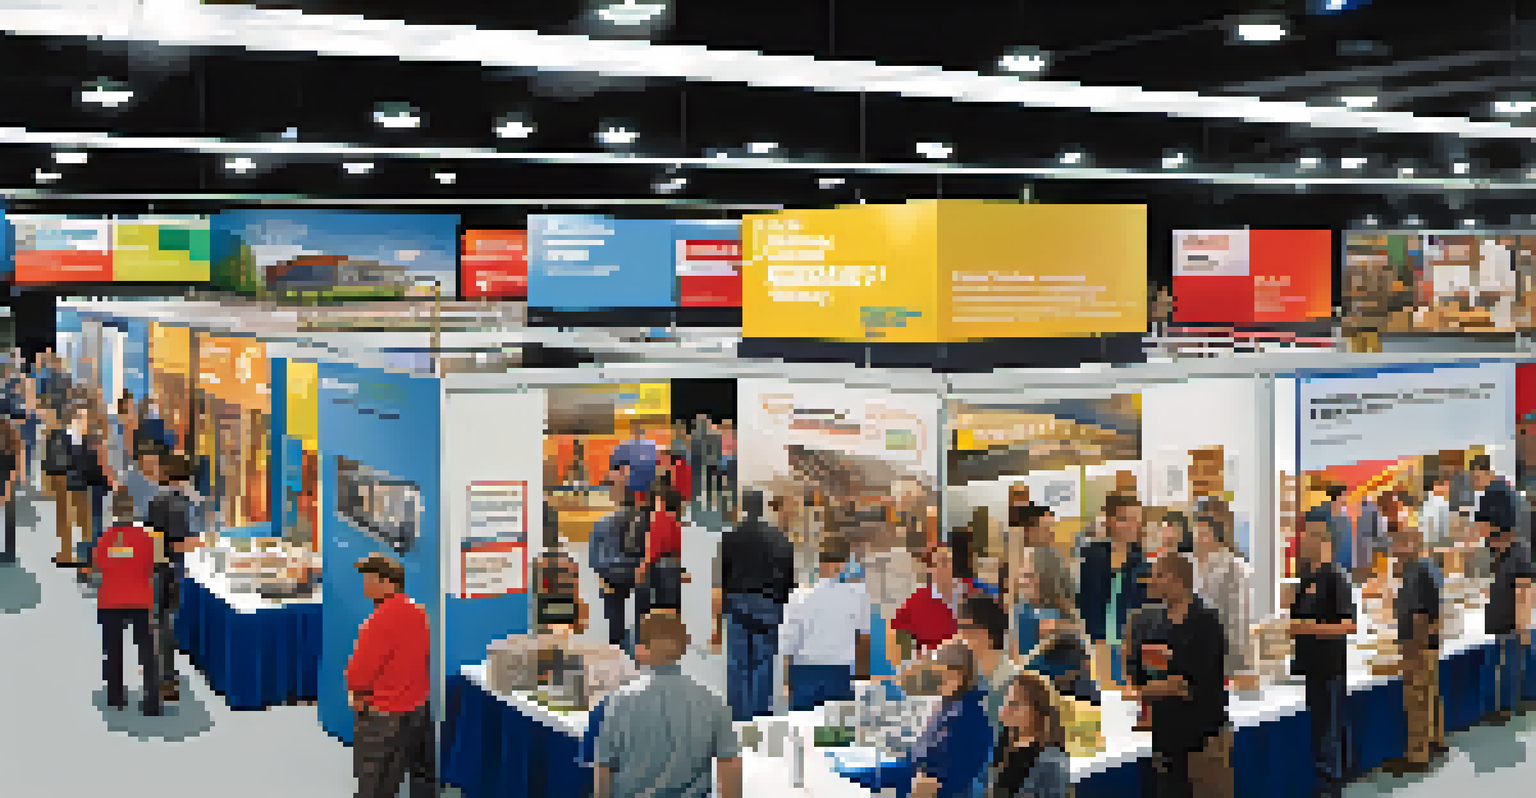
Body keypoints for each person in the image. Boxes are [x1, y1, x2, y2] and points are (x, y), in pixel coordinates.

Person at [594, 612, 741, 798]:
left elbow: (604, 769)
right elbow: (729, 772)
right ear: (684, 647)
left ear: (643, 647)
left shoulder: (618, 702)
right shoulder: (714, 701)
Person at [1129, 554, 1232, 798]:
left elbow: (1190, 683)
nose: (1152, 581)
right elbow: (1141, 675)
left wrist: (1157, 686)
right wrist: (1158, 685)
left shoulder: (1206, 621)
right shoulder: (1152, 624)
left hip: (1202, 739)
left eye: (1158, 576)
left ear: (1177, 580)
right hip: (1165, 741)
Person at [348, 553, 434, 798]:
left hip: (382, 713)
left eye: (370, 579)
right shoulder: (419, 613)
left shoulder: (379, 621)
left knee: (374, 779)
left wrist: (357, 696)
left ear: (389, 582)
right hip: (416, 708)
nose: (365, 585)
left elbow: (360, 672)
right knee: (401, 771)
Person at [1290, 508, 1357, 798]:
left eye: (1311, 535)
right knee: (1321, 727)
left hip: (1330, 666)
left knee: (1330, 728)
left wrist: (1308, 628)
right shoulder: (1307, 577)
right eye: (1304, 534)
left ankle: (1332, 784)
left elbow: (1349, 624)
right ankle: (1328, 778)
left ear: (1324, 539)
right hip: (1311, 666)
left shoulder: (1335, 577)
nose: (1304, 540)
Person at [715, 488, 796, 721]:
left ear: (743, 508)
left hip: (738, 605)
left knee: (738, 664)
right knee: (764, 663)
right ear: (762, 508)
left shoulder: (730, 538)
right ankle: (760, 719)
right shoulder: (781, 539)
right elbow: (789, 582)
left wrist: (717, 622)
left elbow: (722, 582)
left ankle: (739, 719)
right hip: (770, 607)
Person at [1380, 490, 1445, 775]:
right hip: (1427, 643)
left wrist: (1411, 648)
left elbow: (1420, 613)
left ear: (1410, 544)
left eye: (1397, 544)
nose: (1393, 550)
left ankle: (1417, 755)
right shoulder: (1426, 567)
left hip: (1417, 645)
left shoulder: (1415, 572)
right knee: (1430, 694)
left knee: (1417, 699)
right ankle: (1435, 740)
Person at [780, 536, 871, 712]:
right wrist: (861, 680)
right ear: (844, 563)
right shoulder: (858, 595)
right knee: (839, 727)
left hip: (804, 673)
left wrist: (786, 683)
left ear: (819, 562)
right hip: (841, 674)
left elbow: (787, 644)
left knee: (804, 727)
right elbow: (864, 639)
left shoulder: (799, 595)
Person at [94, 488, 162, 716]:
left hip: (111, 600)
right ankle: (152, 701)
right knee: (147, 652)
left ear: (113, 510)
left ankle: (115, 697)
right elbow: (151, 566)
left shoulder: (104, 539)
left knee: (113, 651)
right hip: (140, 600)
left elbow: (98, 566)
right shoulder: (145, 538)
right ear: (132, 510)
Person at [146, 449, 204, 703]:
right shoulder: (180, 505)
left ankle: (160, 676)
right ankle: (166, 679)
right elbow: (179, 543)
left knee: (158, 623)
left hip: (157, 568)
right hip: (172, 569)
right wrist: (201, 542)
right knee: (166, 624)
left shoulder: (156, 500)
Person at [1078, 494, 1151, 687]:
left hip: (1130, 648)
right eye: (1124, 519)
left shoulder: (1144, 563)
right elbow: (1083, 602)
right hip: (1095, 644)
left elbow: (1146, 610)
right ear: (1110, 521)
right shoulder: (1092, 557)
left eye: (1136, 520)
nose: (1131, 526)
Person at [588, 445, 653, 651]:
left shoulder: (603, 524)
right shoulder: (643, 520)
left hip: (613, 573)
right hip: (635, 571)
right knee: (640, 612)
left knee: (616, 615)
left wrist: (603, 574)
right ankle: (639, 644)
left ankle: (618, 647)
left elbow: (594, 557)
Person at [910, 640, 994, 798]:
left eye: (943, 675)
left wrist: (935, 786)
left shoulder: (975, 716)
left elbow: (969, 773)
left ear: (960, 675)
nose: (937, 681)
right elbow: (919, 752)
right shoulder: (942, 705)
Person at [1481, 495, 1535, 725]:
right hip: (1500, 622)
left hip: (1511, 624)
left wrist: (1523, 626)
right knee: (1503, 668)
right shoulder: (1500, 553)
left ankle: (1507, 709)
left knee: (1509, 669)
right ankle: (1504, 707)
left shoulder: (1519, 553)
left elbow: (1524, 590)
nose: (1490, 541)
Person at [1190, 504, 1255, 684]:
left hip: (1222, 652)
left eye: (1203, 533)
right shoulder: (1188, 564)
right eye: (1196, 533)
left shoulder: (1234, 567)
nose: (1197, 538)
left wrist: (1235, 663)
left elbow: (1238, 619)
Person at [988, 672, 1071, 798]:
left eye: (1014, 704)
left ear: (1036, 711)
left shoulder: (1051, 762)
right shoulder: (1001, 746)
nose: (1005, 709)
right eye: (1005, 702)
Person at [892, 544, 967, 662]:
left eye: (949, 561)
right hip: (932, 667)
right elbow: (894, 634)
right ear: (929, 569)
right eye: (940, 562)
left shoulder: (969, 595)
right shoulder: (916, 602)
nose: (947, 567)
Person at [956, 595, 1018, 733]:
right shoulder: (962, 672)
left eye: (967, 628)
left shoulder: (1012, 680)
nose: (961, 635)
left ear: (987, 632)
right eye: (960, 628)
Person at [1011, 546, 1075, 661]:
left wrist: (1061, 629)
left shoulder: (1062, 613)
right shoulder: (1021, 612)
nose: (1022, 582)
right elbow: (1015, 658)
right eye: (1022, 575)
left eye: (1029, 576)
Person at [637, 483, 685, 614]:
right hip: (677, 567)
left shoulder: (659, 518)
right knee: (675, 609)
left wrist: (644, 566)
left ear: (662, 502)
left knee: (660, 609)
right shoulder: (679, 521)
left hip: (661, 568)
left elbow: (654, 548)